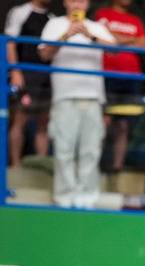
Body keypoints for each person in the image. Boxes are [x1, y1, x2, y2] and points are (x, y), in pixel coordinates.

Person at [38, 0, 116, 209]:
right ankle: (65, 199)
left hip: (92, 96)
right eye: (73, 0)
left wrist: (89, 35)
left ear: (88, 4)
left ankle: (87, 198)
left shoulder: (97, 27)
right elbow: (44, 54)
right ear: (65, 2)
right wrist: (67, 35)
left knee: (90, 151)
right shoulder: (54, 25)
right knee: (64, 149)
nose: (77, 4)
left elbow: (114, 50)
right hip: (64, 96)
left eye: (81, 0)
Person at [95, 0, 145, 172]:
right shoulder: (103, 14)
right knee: (104, 121)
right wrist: (131, 40)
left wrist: (118, 39)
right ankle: (94, 163)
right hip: (107, 74)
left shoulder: (136, 20)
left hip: (132, 77)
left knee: (124, 125)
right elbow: (104, 38)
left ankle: (117, 166)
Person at [5, 0, 53, 167]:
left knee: (44, 122)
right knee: (20, 119)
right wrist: (15, 71)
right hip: (25, 74)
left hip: (46, 77)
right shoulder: (20, 12)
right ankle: (15, 165)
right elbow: (9, 43)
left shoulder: (51, 18)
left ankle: (42, 165)